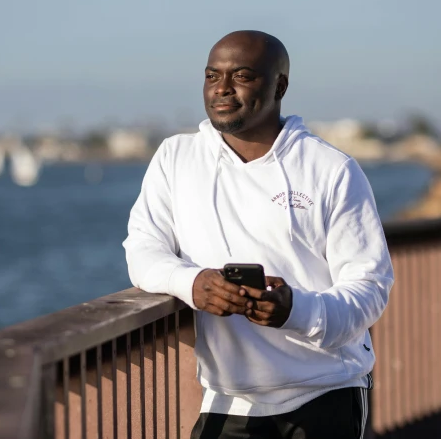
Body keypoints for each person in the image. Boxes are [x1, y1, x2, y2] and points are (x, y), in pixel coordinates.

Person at [123, 31, 394, 438]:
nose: (222, 89)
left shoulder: (330, 168)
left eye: (242, 76)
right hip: (227, 398)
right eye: (213, 76)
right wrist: (192, 282)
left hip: (325, 394)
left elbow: (370, 287)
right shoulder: (175, 158)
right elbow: (142, 250)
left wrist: (294, 310)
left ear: (279, 85)